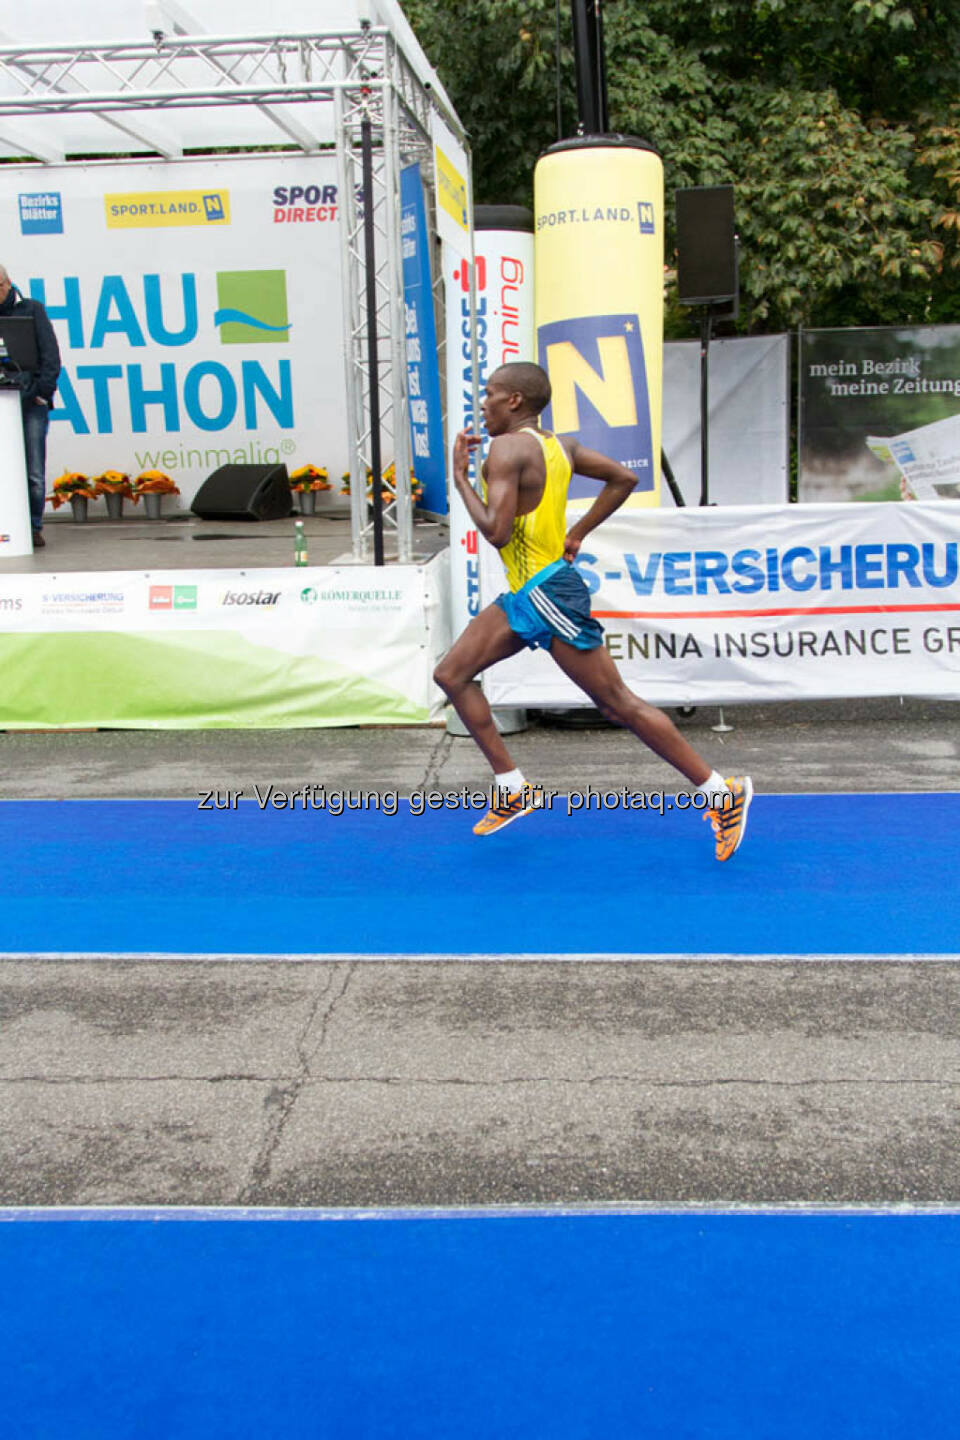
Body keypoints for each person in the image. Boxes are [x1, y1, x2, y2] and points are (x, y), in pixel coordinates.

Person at [434, 361, 753, 860]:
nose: (483, 404)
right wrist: (576, 534)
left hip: (547, 594)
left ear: (514, 401)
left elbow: (496, 532)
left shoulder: (508, 447)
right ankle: (512, 786)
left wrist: (458, 477)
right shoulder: (560, 446)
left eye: (490, 394)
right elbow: (623, 478)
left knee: (616, 703)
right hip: (528, 593)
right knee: (452, 674)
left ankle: (721, 792)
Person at [0, 265, 61, 548]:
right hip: (3, 402)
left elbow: (51, 355)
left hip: (30, 402)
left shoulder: (32, 310)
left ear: (8, 283)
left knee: (34, 470)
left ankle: (33, 527)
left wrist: (42, 393)